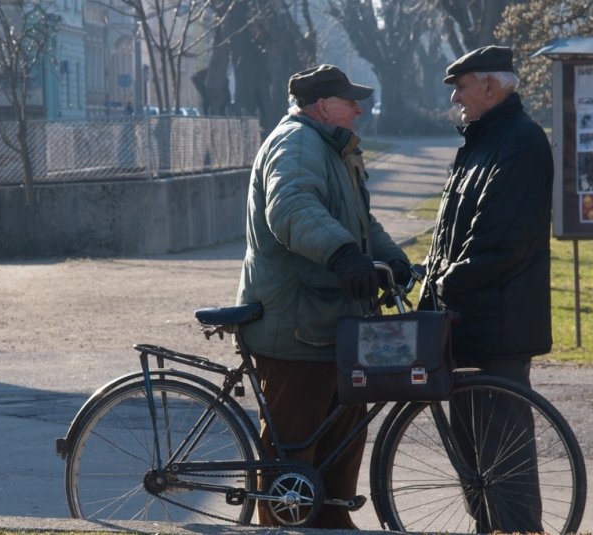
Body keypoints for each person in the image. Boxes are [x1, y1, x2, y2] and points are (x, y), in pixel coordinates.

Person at [236, 64, 410, 528]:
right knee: (293, 446)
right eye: (350, 101)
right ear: (321, 106)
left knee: (344, 430)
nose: (359, 108)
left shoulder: (332, 148)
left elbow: (361, 222)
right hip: (296, 324)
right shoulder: (296, 144)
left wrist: (394, 261)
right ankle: (284, 525)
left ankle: (332, 519)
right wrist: (342, 255)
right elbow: (291, 208)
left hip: (331, 321)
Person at [419, 45, 553, 532]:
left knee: (503, 462)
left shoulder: (520, 142)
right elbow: (451, 234)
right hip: (466, 323)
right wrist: (429, 279)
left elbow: (500, 242)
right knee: (476, 464)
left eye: (461, 86)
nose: (455, 97)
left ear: (491, 86)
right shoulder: (481, 141)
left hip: (498, 326)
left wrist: (441, 281)